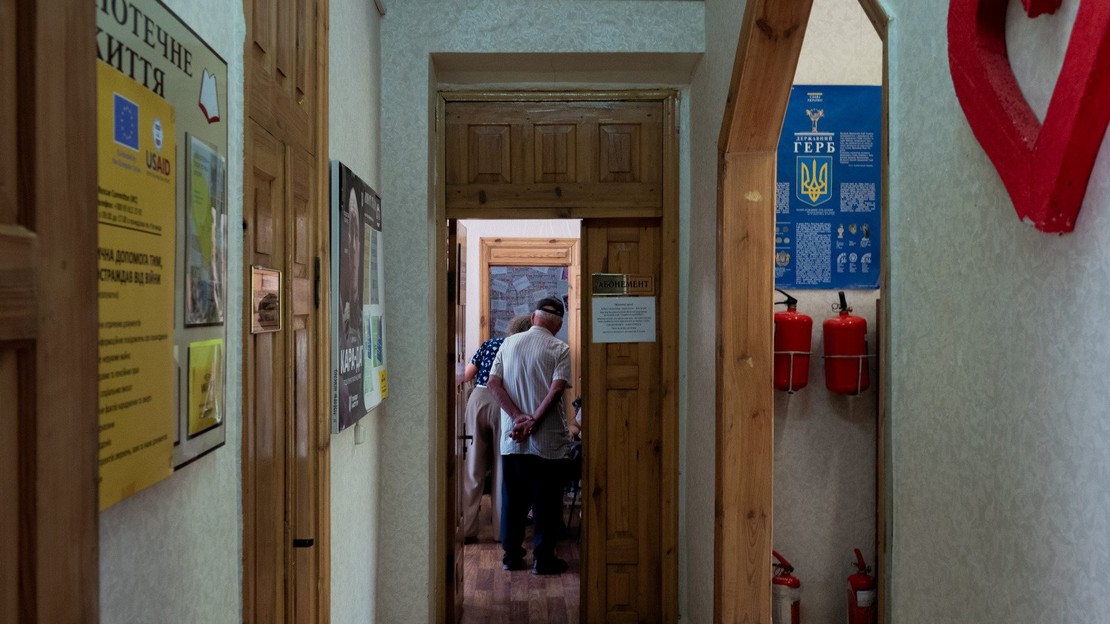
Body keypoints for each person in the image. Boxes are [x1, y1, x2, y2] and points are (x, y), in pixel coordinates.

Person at [488, 297, 572, 575]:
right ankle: (542, 559)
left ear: (533, 319)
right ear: (558, 325)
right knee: (546, 502)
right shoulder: (559, 347)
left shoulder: (508, 343)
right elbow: (557, 389)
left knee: (513, 499)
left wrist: (517, 417)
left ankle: (512, 557)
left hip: (513, 439)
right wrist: (534, 421)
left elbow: (493, 383)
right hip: (547, 442)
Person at [461, 314, 532, 542]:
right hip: (505, 403)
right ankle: (502, 532)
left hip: (479, 399)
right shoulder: (525, 350)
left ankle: (468, 529)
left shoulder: (490, 343)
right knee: (503, 469)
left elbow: (467, 375)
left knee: (473, 466)